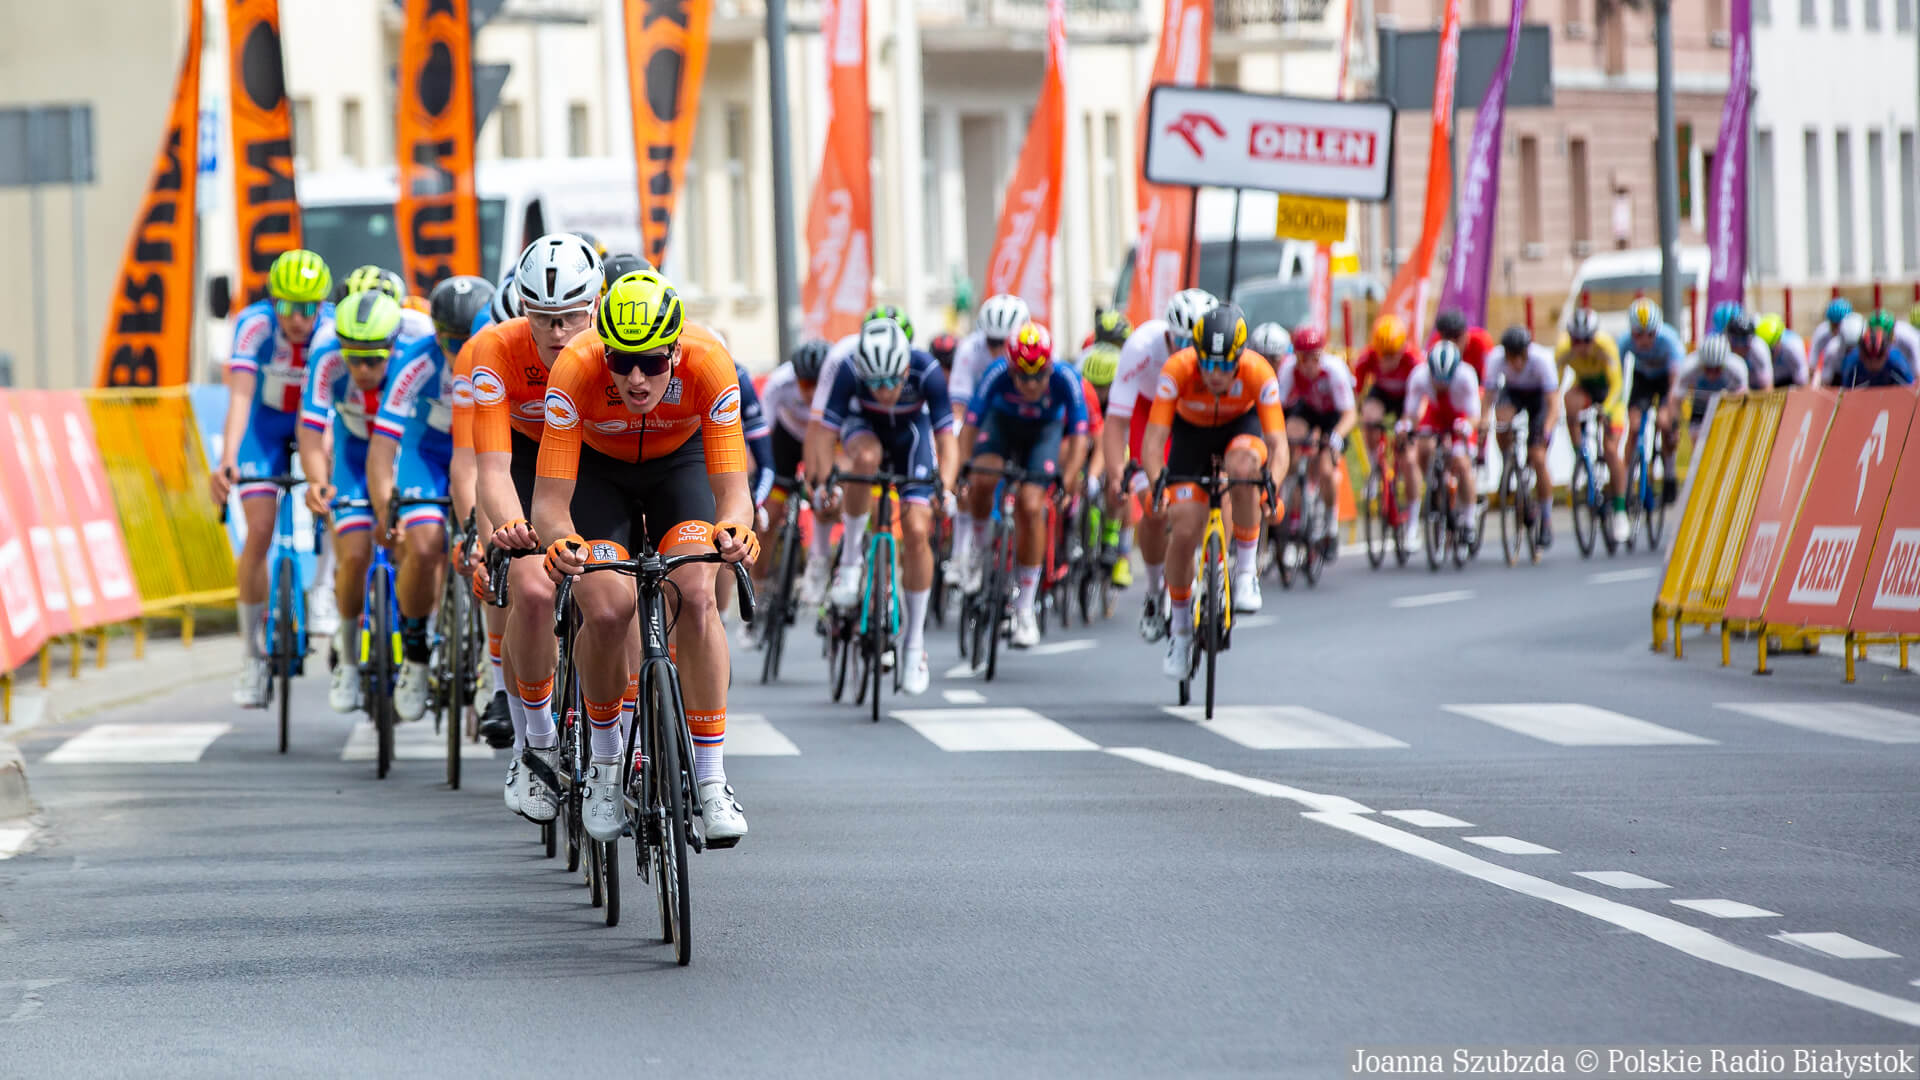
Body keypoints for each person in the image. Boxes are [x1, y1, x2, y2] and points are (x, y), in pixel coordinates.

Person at [535, 269, 756, 845]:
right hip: (598, 472)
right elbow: (550, 505)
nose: (636, 379)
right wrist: (562, 541)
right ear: (602, 350)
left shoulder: (710, 362)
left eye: (653, 363)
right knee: (608, 610)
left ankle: (710, 779)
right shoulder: (575, 367)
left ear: (676, 352)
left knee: (698, 595)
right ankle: (607, 768)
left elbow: (734, 492)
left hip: (679, 466)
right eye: (622, 361)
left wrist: (736, 530)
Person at [476, 233, 606, 821]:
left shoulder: (617, 345)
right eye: (542, 318)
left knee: (621, 591)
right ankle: (536, 742)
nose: (557, 332)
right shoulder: (495, 349)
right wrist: (507, 526)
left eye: (571, 316)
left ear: (595, 306)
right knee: (530, 589)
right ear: (522, 309)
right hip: (526, 467)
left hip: (599, 463)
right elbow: (491, 467)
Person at [210, 249, 337, 706]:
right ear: (272, 302)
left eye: (307, 308)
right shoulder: (254, 324)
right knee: (260, 530)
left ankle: (323, 587)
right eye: (287, 306)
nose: (297, 319)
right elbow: (241, 398)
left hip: (315, 422)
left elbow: (332, 406)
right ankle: (250, 656)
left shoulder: (332, 328)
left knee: (334, 492)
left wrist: (324, 459)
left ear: (321, 305)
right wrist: (227, 460)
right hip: (263, 428)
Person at [366, 275, 493, 722]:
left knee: (492, 548)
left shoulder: (498, 356)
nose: (459, 350)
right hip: (427, 457)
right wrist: (386, 512)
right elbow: (382, 448)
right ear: (435, 333)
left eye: (468, 340)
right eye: (449, 341)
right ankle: (416, 654)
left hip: (480, 455)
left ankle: (490, 665)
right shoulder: (415, 362)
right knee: (423, 546)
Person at [1141, 302, 1287, 680]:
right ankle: (1180, 633)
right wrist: (1158, 483)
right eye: (1207, 363)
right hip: (1190, 436)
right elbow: (1153, 441)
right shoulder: (1177, 369)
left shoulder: (1259, 371)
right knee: (1185, 529)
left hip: (1240, 428)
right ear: (1196, 354)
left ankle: (1245, 574)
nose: (1215, 373)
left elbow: (1278, 443)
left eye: (1225, 365)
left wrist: (1272, 486)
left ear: (1240, 357)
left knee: (1245, 469)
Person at [817, 318, 959, 691]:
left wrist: (945, 487)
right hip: (865, 431)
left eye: (892, 381)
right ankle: (850, 563)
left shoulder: (927, 370)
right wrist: (824, 482)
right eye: (875, 383)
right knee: (865, 460)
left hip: (912, 438)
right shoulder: (849, 369)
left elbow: (947, 439)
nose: (883, 391)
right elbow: (825, 433)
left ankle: (914, 645)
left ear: (906, 369)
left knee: (916, 530)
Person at [296, 291, 406, 713]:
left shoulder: (410, 355)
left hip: (402, 456)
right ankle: (346, 655)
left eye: (373, 360)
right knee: (354, 555)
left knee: (415, 543)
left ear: (392, 347)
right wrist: (318, 483)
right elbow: (310, 430)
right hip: (354, 458)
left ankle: (421, 634)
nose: (362, 370)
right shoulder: (325, 356)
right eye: (353, 359)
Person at [953, 322, 1090, 649]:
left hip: (1043, 432)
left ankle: (1025, 607)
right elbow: (970, 426)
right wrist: (962, 471)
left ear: (1049, 368)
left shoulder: (1066, 378)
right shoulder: (996, 374)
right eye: (1022, 377)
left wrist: (1068, 479)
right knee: (982, 477)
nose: (1030, 384)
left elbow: (1079, 438)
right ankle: (979, 548)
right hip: (1002, 426)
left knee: (1031, 505)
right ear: (1011, 368)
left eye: (1038, 376)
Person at [1104, 289, 1216, 644]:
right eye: (1179, 342)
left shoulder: (1217, 350)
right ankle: (1154, 591)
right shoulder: (1141, 347)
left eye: (1193, 344)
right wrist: (1116, 474)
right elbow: (1116, 420)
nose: (1185, 352)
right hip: (1149, 413)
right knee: (1154, 507)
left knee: (1209, 493)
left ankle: (1214, 572)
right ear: (1167, 334)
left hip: (1193, 415)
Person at [804, 304, 918, 604]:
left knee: (889, 510)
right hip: (852, 428)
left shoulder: (915, 365)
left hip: (895, 428)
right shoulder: (843, 356)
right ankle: (822, 557)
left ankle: (886, 588)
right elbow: (818, 425)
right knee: (837, 482)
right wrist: (819, 482)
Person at [1276, 323, 1358, 567]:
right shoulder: (1288, 369)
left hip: (1334, 416)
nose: (1310, 364)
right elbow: (1278, 408)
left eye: (1315, 357)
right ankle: (1291, 490)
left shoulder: (1334, 370)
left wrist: (1335, 438)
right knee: (1289, 434)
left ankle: (1330, 527)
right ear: (1297, 356)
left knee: (1325, 470)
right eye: (1304, 358)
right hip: (1309, 410)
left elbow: (1350, 414)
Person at [1555, 307, 1630, 547]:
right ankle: (1580, 456)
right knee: (1569, 401)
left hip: (1609, 395)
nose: (1581, 347)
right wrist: (1553, 411)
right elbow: (1555, 386)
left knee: (1610, 450)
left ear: (1594, 336)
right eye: (1576, 341)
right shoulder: (1563, 350)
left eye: (1586, 340)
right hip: (1585, 388)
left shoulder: (1605, 346)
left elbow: (1617, 385)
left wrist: (1606, 410)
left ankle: (1620, 511)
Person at [1403, 340, 1484, 547]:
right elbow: (1411, 415)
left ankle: (1469, 520)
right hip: (1437, 415)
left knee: (1462, 463)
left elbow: (1475, 416)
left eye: (1446, 379)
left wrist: (1467, 426)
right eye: (1436, 379)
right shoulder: (1419, 376)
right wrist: (1406, 427)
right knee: (1421, 447)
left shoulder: (1466, 376)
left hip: (1460, 417)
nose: (1441, 384)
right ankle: (1434, 483)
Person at [1489, 326, 1562, 549]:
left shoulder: (1542, 360)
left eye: (1520, 356)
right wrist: (1484, 422)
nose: (1516, 362)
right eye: (1511, 357)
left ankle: (1546, 520)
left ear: (1527, 352)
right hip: (1514, 393)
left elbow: (1553, 404)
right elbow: (1488, 397)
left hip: (1539, 399)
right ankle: (1507, 461)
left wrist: (1546, 430)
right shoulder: (1495, 360)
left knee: (1538, 458)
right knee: (1501, 421)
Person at [1620, 298, 1687, 504]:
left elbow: (1676, 385)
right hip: (1643, 379)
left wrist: (1670, 413)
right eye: (1638, 335)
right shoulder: (1624, 342)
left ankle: (1669, 475)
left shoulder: (1670, 341)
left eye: (1649, 334)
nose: (1643, 341)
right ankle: (1626, 484)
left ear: (1657, 330)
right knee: (1633, 428)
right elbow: (1617, 377)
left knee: (1665, 423)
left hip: (1667, 380)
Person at [1351, 316, 1422, 504]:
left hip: (1407, 396)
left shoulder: (1414, 360)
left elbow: (1421, 401)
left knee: (1408, 449)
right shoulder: (1367, 357)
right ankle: (1374, 467)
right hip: (1381, 394)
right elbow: (1356, 396)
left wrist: (1408, 424)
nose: (1387, 360)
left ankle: (1409, 494)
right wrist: (1358, 417)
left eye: (1392, 354)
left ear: (1402, 349)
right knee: (1370, 418)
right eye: (1384, 355)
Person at [1665, 334, 1749, 434]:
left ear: (1724, 364)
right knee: (1696, 435)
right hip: (1701, 401)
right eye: (1708, 369)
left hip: (1726, 402)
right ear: (1701, 363)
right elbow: (1675, 398)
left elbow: (1744, 397)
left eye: (1717, 369)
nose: (1712, 375)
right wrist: (1674, 426)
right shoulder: (1689, 367)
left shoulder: (1737, 368)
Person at [1835, 323, 1917, 388]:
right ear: (1861, 356)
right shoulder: (1851, 363)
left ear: (1886, 354)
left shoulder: (1897, 361)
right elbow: (1845, 393)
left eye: (1879, 357)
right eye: (1868, 357)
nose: (1873, 363)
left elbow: (1911, 389)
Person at [1721, 309, 1774, 390]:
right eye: (1735, 341)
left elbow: (1767, 387)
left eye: (1744, 341)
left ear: (1752, 339)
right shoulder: (1722, 349)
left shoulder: (1759, 349)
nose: (1740, 347)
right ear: (1727, 338)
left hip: (1756, 388)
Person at [1755, 313, 1809, 390]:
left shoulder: (1793, 347)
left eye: (1771, 350)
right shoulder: (1757, 347)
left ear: (1779, 340)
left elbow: (1802, 383)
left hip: (1790, 381)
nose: (1767, 354)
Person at [1816, 311, 1867, 386]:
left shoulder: (1871, 350)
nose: (1852, 355)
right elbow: (1826, 381)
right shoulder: (1832, 349)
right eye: (1849, 349)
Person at [1808, 298, 1852, 367]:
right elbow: (1813, 358)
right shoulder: (1821, 331)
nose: (1837, 330)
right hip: (1831, 366)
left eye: (1840, 325)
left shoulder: (1854, 331)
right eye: (1834, 325)